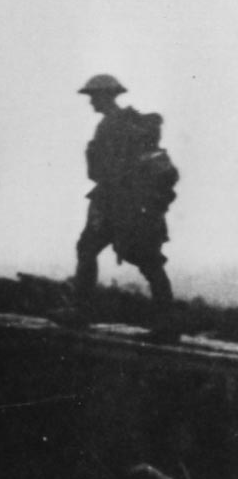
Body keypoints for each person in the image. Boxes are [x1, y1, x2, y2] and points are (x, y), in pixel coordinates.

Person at [63, 74, 179, 338]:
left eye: (94, 96)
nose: (91, 102)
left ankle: (166, 325)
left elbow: (104, 170)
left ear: (107, 96)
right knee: (95, 249)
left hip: (119, 203)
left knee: (144, 259)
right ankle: (166, 323)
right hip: (121, 202)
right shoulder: (120, 123)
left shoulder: (112, 126)